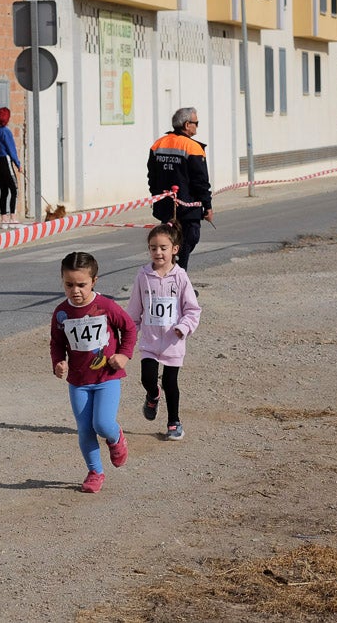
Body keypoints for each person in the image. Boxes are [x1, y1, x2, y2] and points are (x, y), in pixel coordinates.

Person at [50, 252, 137, 493]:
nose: (75, 290)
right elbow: (56, 342)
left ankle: (116, 437)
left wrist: (124, 355)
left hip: (106, 377)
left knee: (102, 423)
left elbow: (129, 328)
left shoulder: (105, 306)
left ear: (94, 281)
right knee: (85, 429)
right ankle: (95, 472)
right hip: (78, 381)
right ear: (62, 281)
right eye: (69, 285)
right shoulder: (61, 313)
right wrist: (58, 362)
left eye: (81, 285)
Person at [126, 222, 201, 441]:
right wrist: (128, 333)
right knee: (147, 378)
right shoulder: (143, 276)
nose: (157, 252)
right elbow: (134, 309)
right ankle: (152, 395)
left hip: (172, 341)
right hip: (150, 340)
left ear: (174, 249)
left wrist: (183, 327)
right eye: (153, 248)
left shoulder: (180, 277)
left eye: (163, 248)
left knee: (170, 382)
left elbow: (192, 309)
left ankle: (174, 422)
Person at [147, 107, 214, 271]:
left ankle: (172, 277)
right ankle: (177, 279)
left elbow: (152, 177)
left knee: (170, 241)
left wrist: (157, 197)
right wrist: (208, 206)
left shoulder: (158, 145)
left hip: (165, 206)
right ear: (186, 124)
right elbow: (201, 182)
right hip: (188, 208)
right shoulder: (192, 148)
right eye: (196, 123)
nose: (197, 126)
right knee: (189, 239)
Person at [0, 107, 22, 228]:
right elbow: (11, 148)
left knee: (3, 190)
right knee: (14, 189)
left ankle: (4, 219)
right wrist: (18, 164)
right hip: (6, 160)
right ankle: (13, 218)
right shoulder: (5, 131)